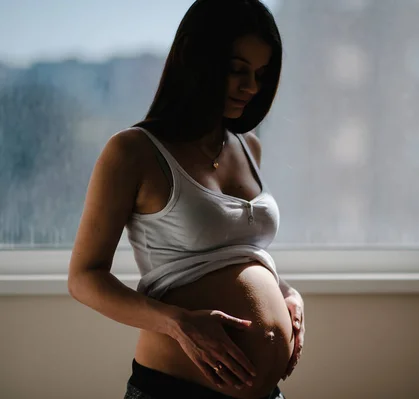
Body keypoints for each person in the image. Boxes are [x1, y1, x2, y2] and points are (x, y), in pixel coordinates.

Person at [67, 1, 305, 398]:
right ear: (198, 58)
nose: (251, 87)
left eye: (261, 75)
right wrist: (178, 323)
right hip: (172, 389)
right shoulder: (133, 152)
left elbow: (236, 251)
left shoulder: (248, 148)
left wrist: (286, 294)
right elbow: (83, 278)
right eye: (237, 70)